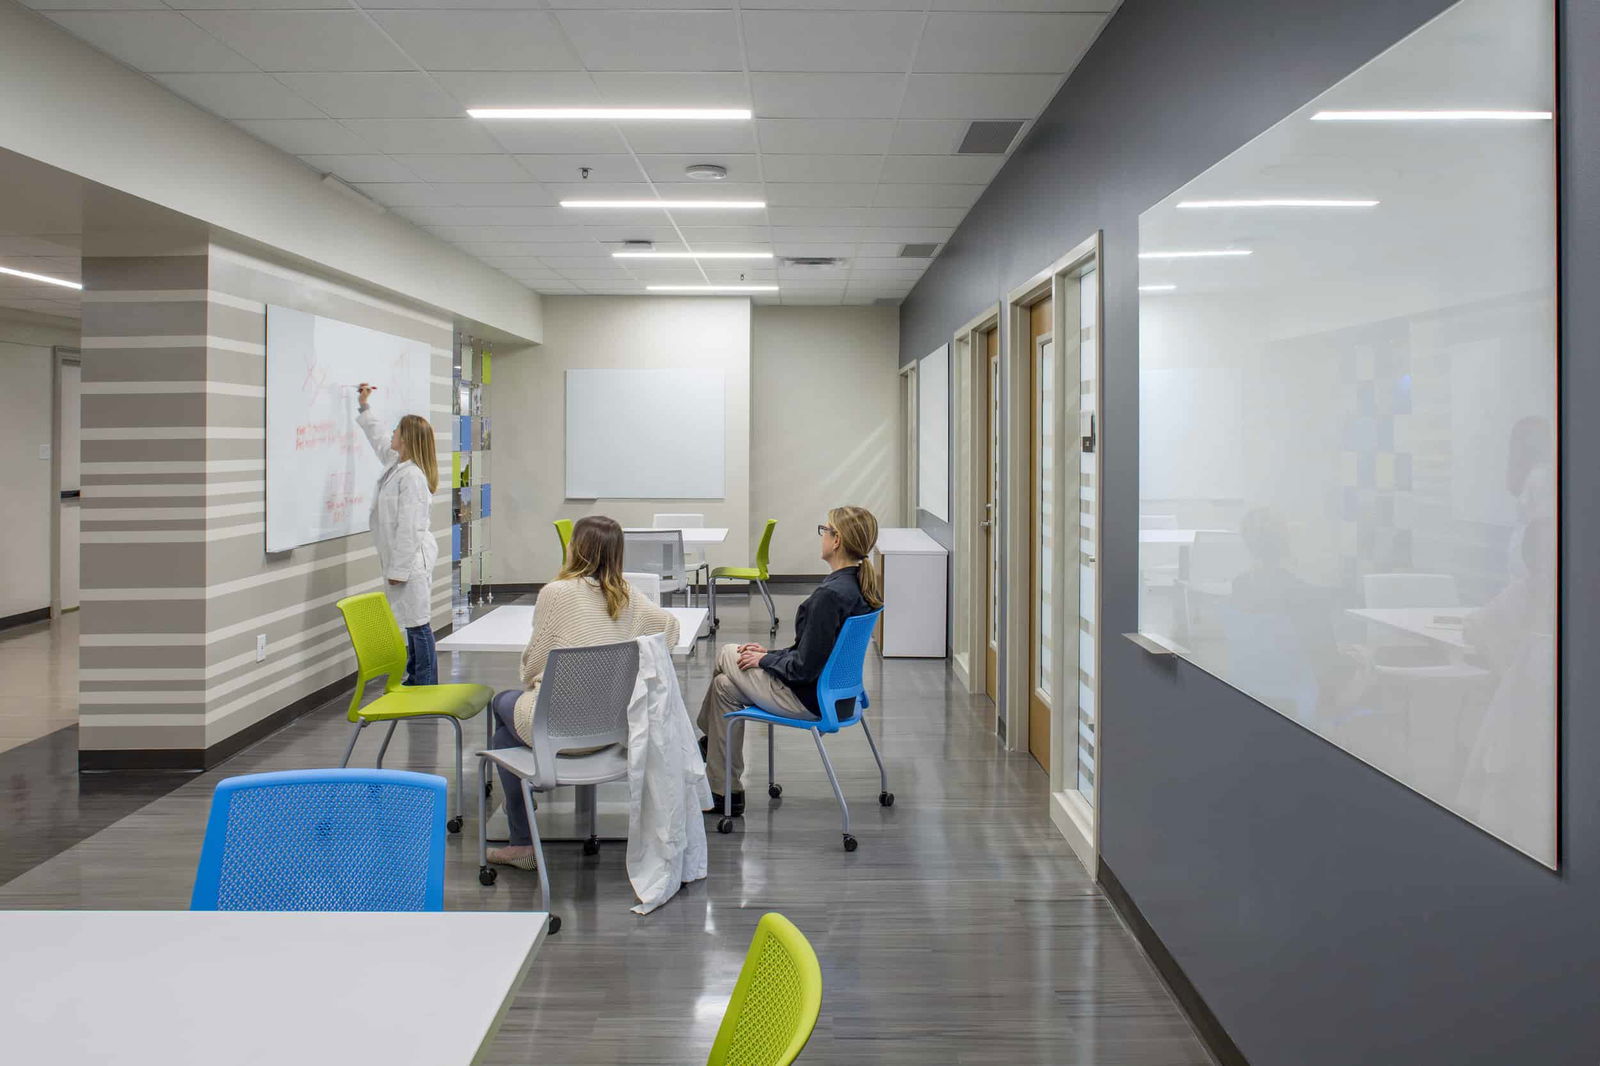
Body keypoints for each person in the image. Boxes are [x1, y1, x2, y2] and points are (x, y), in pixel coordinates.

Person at [486, 515, 680, 871]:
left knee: (499, 706)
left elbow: (533, 664)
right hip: (611, 729)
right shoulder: (629, 597)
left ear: (576, 548)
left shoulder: (556, 594)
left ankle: (523, 835)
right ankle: (526, 813)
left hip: (555, 729)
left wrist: (533, 679)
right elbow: (670, 631)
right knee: (503, 733)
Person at [696, 505, 882, 816]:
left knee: (728, 652)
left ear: (837, 541)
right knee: (724, 686)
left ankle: (707, 743)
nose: (821, 536)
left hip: (806, 698)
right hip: (839, 697)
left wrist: (762, 662)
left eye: (825, 530)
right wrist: (767, 654)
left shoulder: (829, 596)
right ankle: (725, 791)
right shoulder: (858, 589)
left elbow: (802, 668)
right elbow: (811, 652)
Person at [355, 383, 439, 686]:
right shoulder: (397, 464)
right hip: (400, 560)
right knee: (412, 622)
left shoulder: (413, 477)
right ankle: (416, 677)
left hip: (411, 561)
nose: (391, 434)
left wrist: (399, 570)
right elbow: (378, 439)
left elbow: (410, 528)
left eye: (396, 431)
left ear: (406, 439)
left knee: (418, 624)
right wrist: (365, 407)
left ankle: (425, 683)